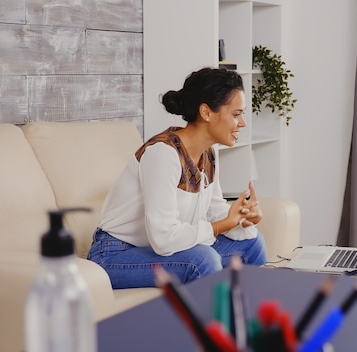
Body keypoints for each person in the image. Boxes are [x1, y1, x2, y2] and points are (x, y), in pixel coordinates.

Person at [87, 67, 267, 289]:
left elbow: (214, 210)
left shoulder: (208, 153)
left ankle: (244, 319)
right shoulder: (162, 153)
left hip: (156, 249)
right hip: (116, 255)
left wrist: (241, 218)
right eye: (236, 114)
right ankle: (214, 323)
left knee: (253, 243)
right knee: (203, 259)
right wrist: (224, 224)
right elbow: (163, 238)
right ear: (206, 112)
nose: (243, 123)